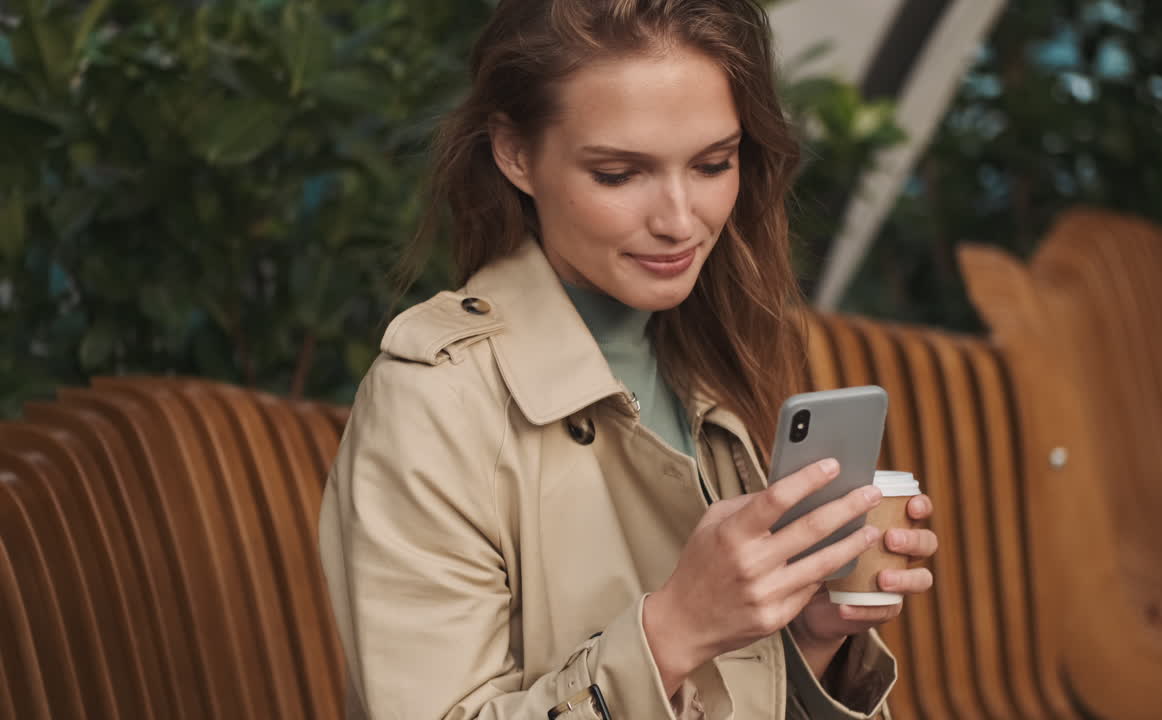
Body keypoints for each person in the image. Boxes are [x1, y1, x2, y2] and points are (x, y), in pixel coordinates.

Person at [318, 1, 939, 718]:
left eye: (713, 164)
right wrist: (674, 631)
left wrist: (808, 638)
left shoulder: (711, 355)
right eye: (618, 174)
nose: (679, 220)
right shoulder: (434, 400)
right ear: (515, 153)